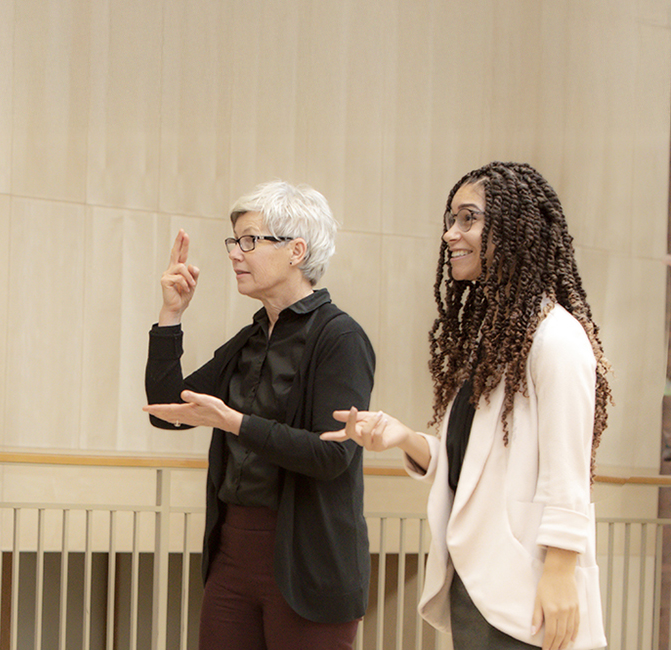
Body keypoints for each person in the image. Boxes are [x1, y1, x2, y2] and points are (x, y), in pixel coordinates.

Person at [323, 162, 609, 650]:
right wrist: (405, 439)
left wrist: (561, 572)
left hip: (530, 588)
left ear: (514, 230)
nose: (451, 234)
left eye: (468, 219)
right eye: (451, 219)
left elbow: (569, 469)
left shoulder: (557, 337)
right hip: (477, 581)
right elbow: (478, 467)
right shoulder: (494, 341)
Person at [144, 181, 375, 649]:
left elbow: (332, 455)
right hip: (232, 553)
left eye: (250, 240)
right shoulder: (250, 339)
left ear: (296, 251)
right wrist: (171, 316)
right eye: (234, 241)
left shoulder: (341, 338)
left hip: (309, 564)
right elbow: (166, 411)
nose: (235, 253)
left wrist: (235, 422)